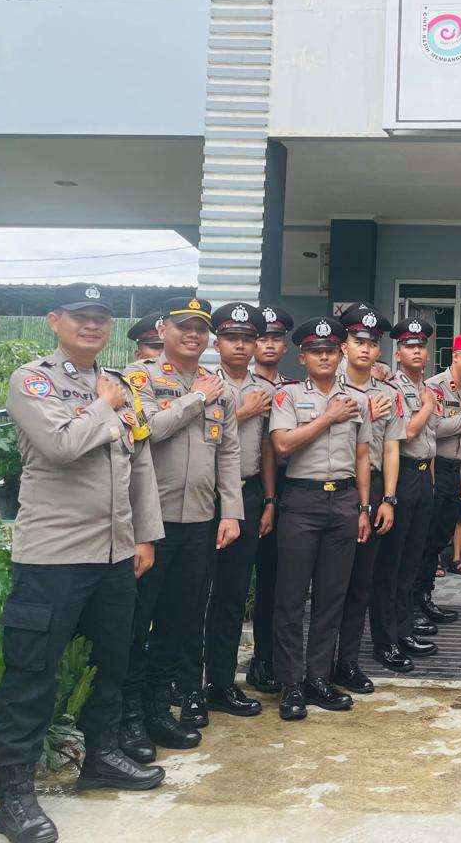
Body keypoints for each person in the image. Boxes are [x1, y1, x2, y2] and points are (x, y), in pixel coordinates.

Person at [0, 284, 165, 843]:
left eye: (101, 318)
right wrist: (104, 406)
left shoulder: (117, 383)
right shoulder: (33, 381)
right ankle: (15, 796)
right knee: (32, 675)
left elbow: (140, 463)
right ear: (54, 320)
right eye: (81, 316)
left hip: (115, 554)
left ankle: (101, 758)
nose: (92, 325)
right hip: (53, 557)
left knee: (112, 664)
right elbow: (61, 446)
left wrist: (145, 537)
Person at [123, 297, 242, 752]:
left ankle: (158, 710)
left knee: (180, 620)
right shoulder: (141, 378)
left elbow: (228, 453)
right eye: (183, 327)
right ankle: (128, 717)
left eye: (200, 328)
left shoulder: (218, 386)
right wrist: (196, 399)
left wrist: (230, 512)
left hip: (199, 522)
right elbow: (149, 429)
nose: (193, 335)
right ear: (163, 330)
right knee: (138, 622)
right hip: (151, 524)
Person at [268, 316, 372, 721]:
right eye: (316, 351)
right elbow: (282, 445)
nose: (324, 357)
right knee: (291, 597)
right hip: (302, 501)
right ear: (303, 357)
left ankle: (318, 677)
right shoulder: (288, 396)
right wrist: (327, 417)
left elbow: (362, 456)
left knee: (332, 596)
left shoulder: (358, 399)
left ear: (340, 353)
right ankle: (291, 683)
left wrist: (363, 507)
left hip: (344, 501)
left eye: (330, 350)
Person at [201, 302, 274, 719]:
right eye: (232, 338)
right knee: (194, 594)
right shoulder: (206, 385)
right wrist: (242, 412)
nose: (241, 345)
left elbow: (266, 448)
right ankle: (184, 683)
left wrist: (269, 500)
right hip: (204, 498)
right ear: (218, 343)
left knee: (232, 594)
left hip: (248, 495)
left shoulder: (264, 388)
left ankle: (222, 683)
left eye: (248, 338)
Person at [332, 303, 403, 695]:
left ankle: (347, 661)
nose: (365, 348)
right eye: (358, 341)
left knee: (361, 580)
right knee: (329, 583)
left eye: (373, 343)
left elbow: (391, 448)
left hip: (373, 487)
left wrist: (388, 498)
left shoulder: (389, 393)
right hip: (332, 486)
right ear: (344, 345)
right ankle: (317, 663)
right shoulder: (326, 385)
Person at [373, 317, 442, 672]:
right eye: (409, 346)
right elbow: (408, 433)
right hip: (399, 476)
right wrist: (428, 407)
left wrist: (431, 479)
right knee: (392, 562)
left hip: (423, 476)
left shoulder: (426, 387)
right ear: (398, 353)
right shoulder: (392, 389)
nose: (416, 351)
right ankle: (386, 640)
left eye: (421, 346)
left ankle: (404, 630)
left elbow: (430, 442)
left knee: (411, 561)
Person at [416, 336, 461, 626]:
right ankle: (412, 604)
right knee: (424, 539)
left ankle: (425, 597)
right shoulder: (434, 387)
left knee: (439, 539)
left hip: (454, 472)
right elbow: (431, 429)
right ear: (456, 356)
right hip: (433, 468)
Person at [244, 303, 293, 695]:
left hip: (286, 488)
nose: (270, 344)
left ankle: (267, 656)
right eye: (262, 338)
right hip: (246, 488)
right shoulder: (239, 386)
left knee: (276, 581)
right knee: (234, 581)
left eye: (276, 338)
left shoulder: (292, 389)